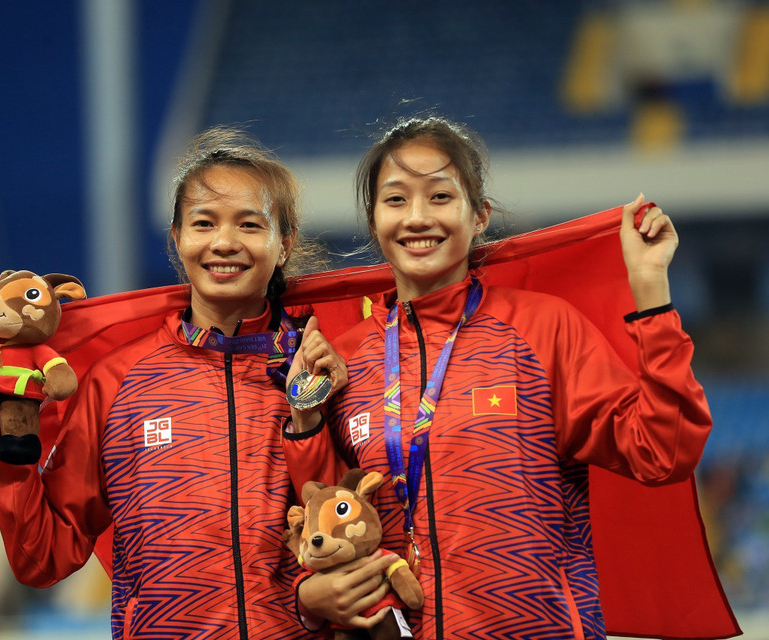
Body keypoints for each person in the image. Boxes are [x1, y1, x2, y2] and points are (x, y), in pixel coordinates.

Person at [283, 117, 713, 639]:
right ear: (373, 222)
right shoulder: (345, 356)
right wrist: (304, 417)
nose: (417, 217)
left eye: (440, 197)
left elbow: (661, 453)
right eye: (396, 200)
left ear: (479, 215)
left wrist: (650, 290)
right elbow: (320, 506)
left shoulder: (541, 328)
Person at [0, 127, 338, 640]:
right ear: (176, 238)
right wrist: (9, 446)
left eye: (249, 224)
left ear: (285, 243)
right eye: (203, 223)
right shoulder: (116, 381)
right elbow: (42, 557)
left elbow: (358, 525)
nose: (224, 242)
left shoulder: (321, 371)